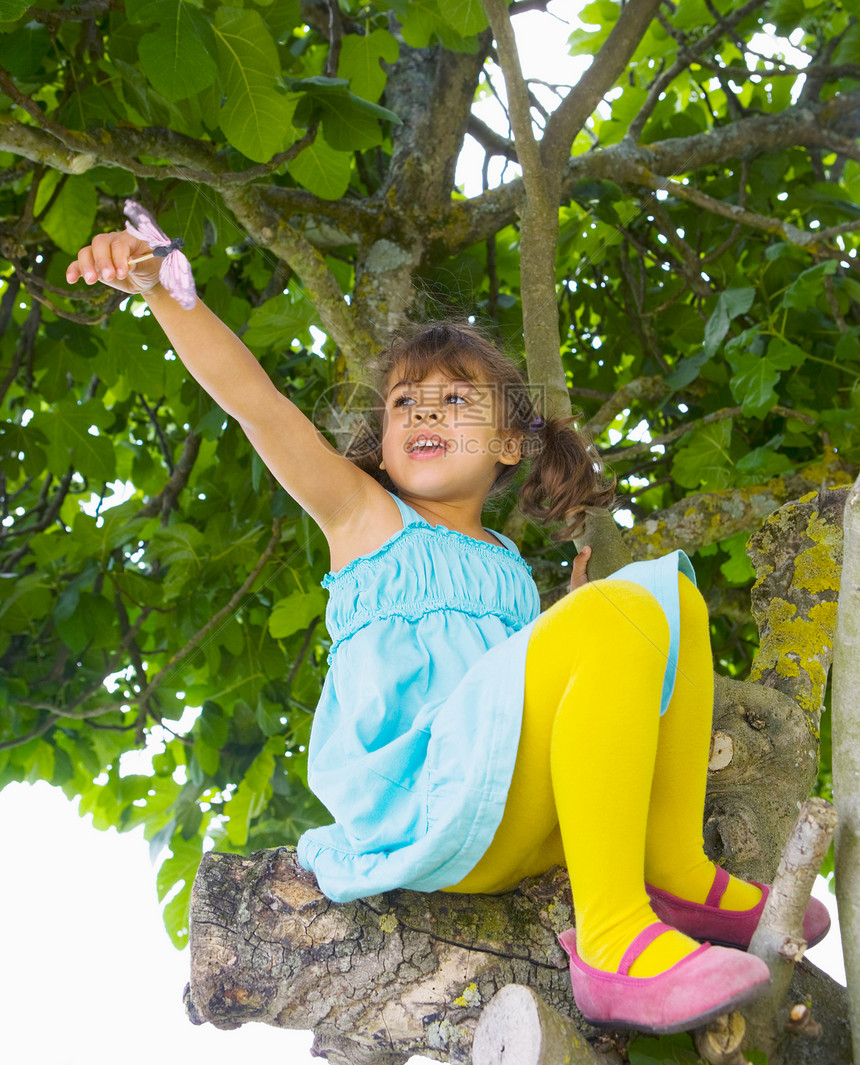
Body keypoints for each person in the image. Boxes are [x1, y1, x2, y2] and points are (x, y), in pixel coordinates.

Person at [66, 229, 828, 1036]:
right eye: (405, 401)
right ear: (386, 445)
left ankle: (672, 865)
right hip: (429, 808)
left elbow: (544, 705)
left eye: (456, 399)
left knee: (672, 594)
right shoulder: (364, 515)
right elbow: (256, 401)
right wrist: (160, 288)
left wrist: (578, 615)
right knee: (623, 607)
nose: (425, 408)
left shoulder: (506, 563)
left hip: (514, 811)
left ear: (508, 443)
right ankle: (612, 941)